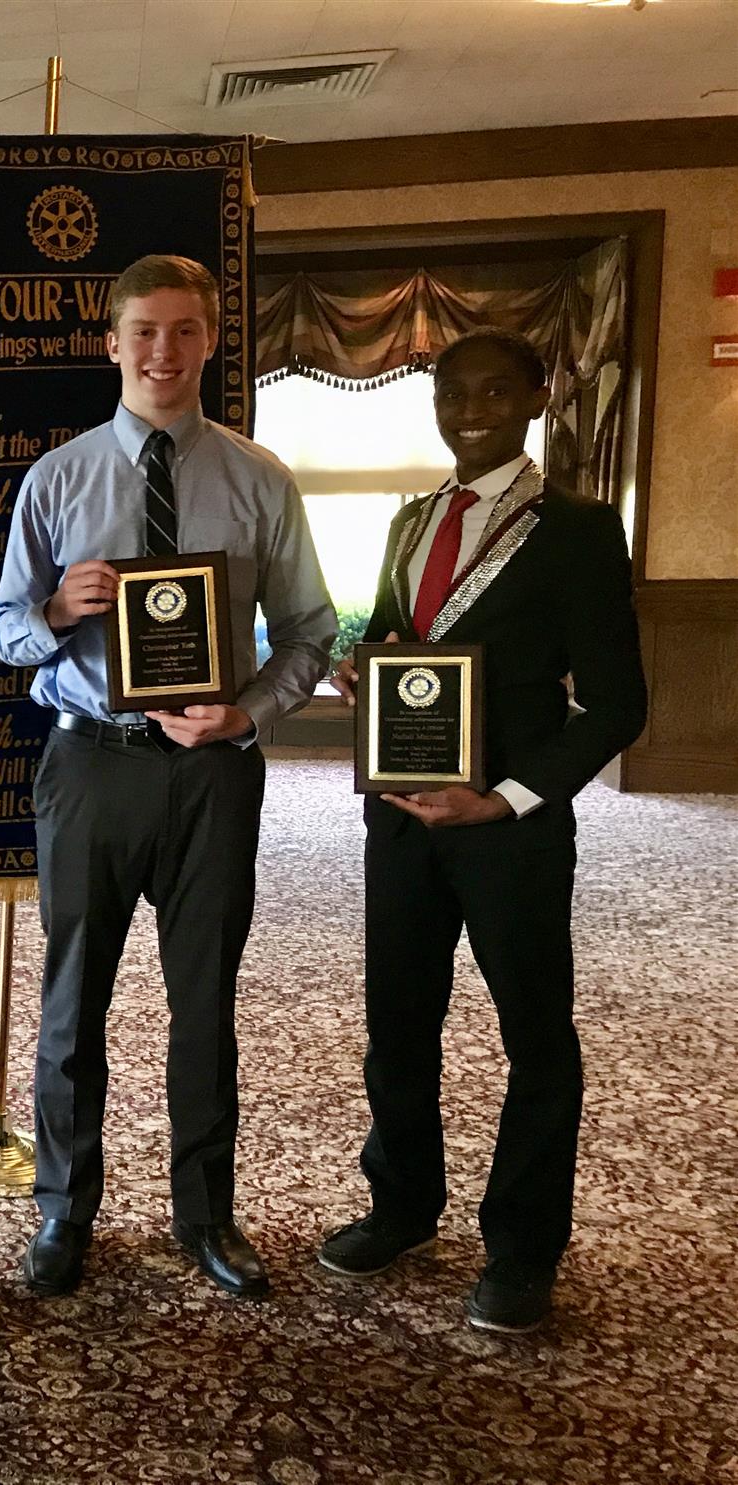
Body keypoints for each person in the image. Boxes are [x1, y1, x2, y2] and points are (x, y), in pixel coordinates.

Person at [0, 254, 335, 1300]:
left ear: (212, 342)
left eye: (185, 330)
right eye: (144, 330)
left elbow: (310, 631)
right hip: (91, 763)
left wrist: (249, 713)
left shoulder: (259, 479)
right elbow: (4, 630)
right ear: (111, 342)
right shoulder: (57, 478)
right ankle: (64, 1210)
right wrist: (58, 612)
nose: (163, 351)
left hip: (211, 774)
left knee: (206, 1001)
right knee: (71, 1002)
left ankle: (206, 1216)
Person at [316, 328, 646, 1333]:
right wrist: (362, 669)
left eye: (496, 392)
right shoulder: (411, 520)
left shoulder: (578, 529)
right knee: (397, 1023)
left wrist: (505, 798)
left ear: (538, 397)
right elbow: (396, 637)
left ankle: (523, 1249)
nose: (471, 411)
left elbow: (618, 705)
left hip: (510, 827)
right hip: (403, 821)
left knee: (534, 1035)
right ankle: (402, 1205)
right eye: (453, 394)